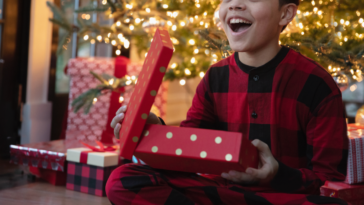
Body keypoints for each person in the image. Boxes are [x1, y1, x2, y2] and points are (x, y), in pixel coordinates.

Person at [106, 0, 349, 204]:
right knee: (122, 180)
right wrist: (153, 129)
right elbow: (188, 149)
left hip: (280, 197)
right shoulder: (215, 77)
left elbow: (326, 179)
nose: (234, 5)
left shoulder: (318, 85)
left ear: (285, 14)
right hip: (220, 193)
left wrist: (276, 174)